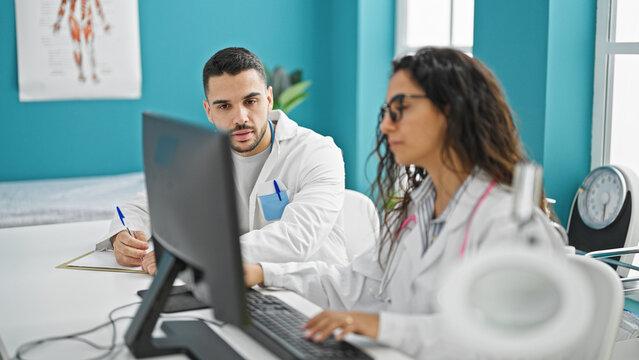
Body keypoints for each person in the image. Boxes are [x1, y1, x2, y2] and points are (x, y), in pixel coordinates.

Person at [243, 47, 566, 358]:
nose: (385, 125)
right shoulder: (417, 210)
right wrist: (264, 273)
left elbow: (498, 340)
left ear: (450, 110)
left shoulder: (509, 222)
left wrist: (380, 326)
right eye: (387, 112)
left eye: (401, 108)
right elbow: (354, 285)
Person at [96, 47, 348, 274]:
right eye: (224, 106)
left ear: (269, 99)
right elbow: (144, 207)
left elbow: (298, 237)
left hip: (316, 302)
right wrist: (123, 235)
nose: (240, 117)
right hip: (249, 293)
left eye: (251, 101)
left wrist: (194, 257)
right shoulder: (199, 159)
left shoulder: (317, 153)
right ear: (208, 111)